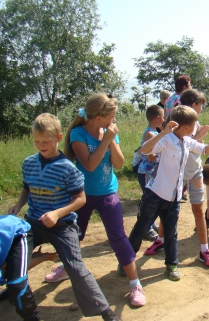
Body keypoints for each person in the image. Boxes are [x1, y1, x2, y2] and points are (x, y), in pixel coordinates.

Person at [8, 113, 119, 321]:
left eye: (46, 141)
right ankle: (13, 289)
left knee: (76, 268)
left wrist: (57, 213)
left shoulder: (68, 167)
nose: (41, 145)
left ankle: (105, 311)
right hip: (33, 223)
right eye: (37, 141)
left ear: (59, 138)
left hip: (62, 225)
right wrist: (17, 205)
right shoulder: (29, 163)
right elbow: (27, 188)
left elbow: (80, 199)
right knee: (11, 256)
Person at [41, 94, 145, 307]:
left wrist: (112, 141)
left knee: (118, 237)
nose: (114, 121)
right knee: (74, 236)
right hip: (82, 196)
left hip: (107, 192)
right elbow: (88, 165)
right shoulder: (78, 134)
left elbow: (118, 164)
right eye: (112, 117)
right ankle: (65, 267)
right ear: (98, 117)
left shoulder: (109, 132)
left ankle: (135, 283)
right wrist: (106, 140)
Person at [127, 106, 209, 281]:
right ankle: (126, 261)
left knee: (171, 232)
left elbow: (202, 149)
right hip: (155, 194)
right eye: (194, 125)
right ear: (185, 127)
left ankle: (171, 265)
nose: (195, 127)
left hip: (173, 197)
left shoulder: (187, 140)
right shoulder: (167, 140)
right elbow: (145, 150)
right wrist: (162, 133)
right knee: (141, 228)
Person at [144, 89, 209, 267]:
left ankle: (204, 249)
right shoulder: (178, 124)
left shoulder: (194, 122)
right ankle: (161, 240)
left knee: (198, 210)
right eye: (201, 105)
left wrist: (203, 143)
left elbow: (198, 148)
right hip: (177, 177)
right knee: (168, 211)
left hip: (194, 173)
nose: (202, 109)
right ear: (193, 105)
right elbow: (172, 146)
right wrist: (199, 140)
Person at [0, 215, 57, 321]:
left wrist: (42, 258)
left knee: (16, 284)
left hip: (17, 231)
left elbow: (8, 272)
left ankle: (32, 318)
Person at [136, 104, 164, 241]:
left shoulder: (155, 132)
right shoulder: (150, 133)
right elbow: (150, 156)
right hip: (147, 172)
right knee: (148, 200)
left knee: (152, 199)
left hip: (152, 172)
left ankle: (150, 225)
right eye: (163, 117)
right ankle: (145, 228)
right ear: (157, 118)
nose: (164, 119)